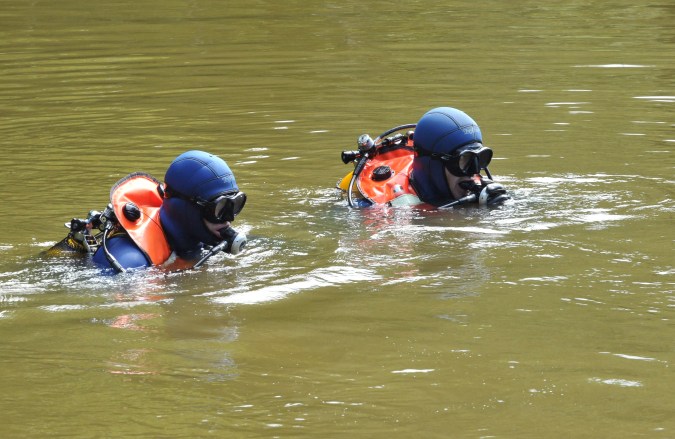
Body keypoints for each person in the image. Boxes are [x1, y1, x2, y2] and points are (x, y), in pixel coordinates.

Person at [48, 150, 247, 272]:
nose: (229, 220)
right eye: (220, 208)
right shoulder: (130, 262)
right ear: (186, 209)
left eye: (235, 206)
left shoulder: (202, 233)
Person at [336, 106, 510, 208]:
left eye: (480, 160)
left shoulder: (477, 186)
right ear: (433, 167)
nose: (472, 173)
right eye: (464, 161)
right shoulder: (385, 207)